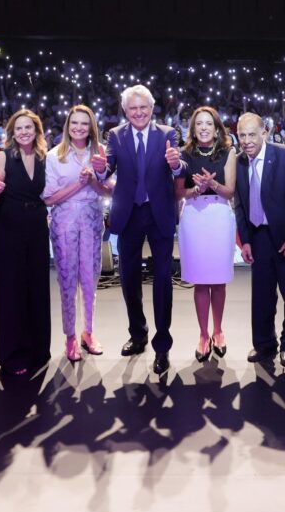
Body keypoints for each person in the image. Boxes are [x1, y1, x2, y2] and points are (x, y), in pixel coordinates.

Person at [90, 84, 186, 376]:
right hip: (128, 215)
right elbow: (107, 170)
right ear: (125, 111)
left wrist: (177, 165)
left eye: (143, 107)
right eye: (133, 108)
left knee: (162, 282)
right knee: (128, 278)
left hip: (159, 215)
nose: (139, 112)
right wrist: (100, 169)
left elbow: (179, 165)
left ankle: (162, 346)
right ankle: (138, 333)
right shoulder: (115, 135)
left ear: (152, 107)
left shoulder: (168, 133)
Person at [233, 113, 285, 369]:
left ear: (264, 133)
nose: (247, 140)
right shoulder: (238, 163)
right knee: (262, 297)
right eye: (242, 135)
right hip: (259, 237)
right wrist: (245, 241)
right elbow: (240, 205)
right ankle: (264, 344)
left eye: (252, 134)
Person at [0, 109, 52, 377]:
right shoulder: (3, 157)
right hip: (9, 228)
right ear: (12, 133)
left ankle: (39, 350)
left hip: (37, 227)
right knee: (12, 291)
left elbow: (49, 194)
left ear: (37, 131)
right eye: (19, 128)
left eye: (29, 127)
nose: (24, 132)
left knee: (37, 288)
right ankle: (12, 354)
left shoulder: (44, 158)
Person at [44, 105, 111, 364]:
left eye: (84, 123)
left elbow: (110, 191)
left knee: (90, 280)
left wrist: (93, 182)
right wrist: (78, 184)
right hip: (64, 224)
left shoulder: (101, 152)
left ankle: (88, 332)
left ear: (91, 126)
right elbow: (49, 198)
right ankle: (70, 336)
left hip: (92, 221)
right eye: (75, 123)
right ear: (67, 125)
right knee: (68, 283)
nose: (79, 128)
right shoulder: (54, 156)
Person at [177, 106, 238, 363]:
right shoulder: (184, 154)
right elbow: (179, 193)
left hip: (220, 216)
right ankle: (203, 335)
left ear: (216, 128)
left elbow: (230, 191)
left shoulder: (228, 152)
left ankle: (218, 330)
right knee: (201, 281)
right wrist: (196, 189)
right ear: (193, 128)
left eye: (208, 124)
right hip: (194, 216)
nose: (203, 128)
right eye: (199, 124)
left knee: (218, 280)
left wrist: (211, 184)